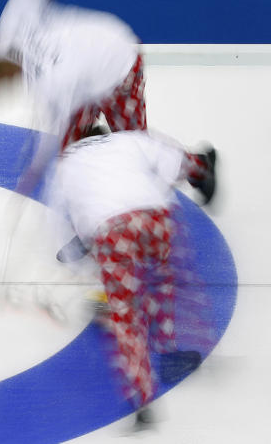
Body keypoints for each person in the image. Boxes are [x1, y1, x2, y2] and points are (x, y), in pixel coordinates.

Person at [0, 0, 214, 259]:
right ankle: (90, 229)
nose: (15, 84)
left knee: (133, 149)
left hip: (119, 66)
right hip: (87, 75)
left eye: (9, 80)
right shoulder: (12, 30)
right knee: (72, 157)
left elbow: (51, 136)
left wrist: (33, 174)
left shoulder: (54, 83)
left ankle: (198, 166)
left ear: (6, 67)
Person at [44, 130, 214, 429]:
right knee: (161, 281)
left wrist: (85, 263)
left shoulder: (67, 162)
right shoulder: (128, 139)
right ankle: (169, 351)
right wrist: (201, 170)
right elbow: (176, 162)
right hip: (155, 217)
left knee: (125, 314)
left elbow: (60, 222)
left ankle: (143, 401)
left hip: (111, 230)